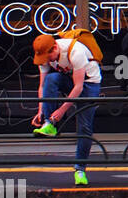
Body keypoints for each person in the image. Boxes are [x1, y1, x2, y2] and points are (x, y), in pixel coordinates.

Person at [31, 33, 102, 186]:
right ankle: (50, 124)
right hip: (70, 80)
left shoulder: (75, 51)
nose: (48, 62)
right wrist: (41, 111)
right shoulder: (45, 56)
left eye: (50, 57)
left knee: (84, 127)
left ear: (55, 48)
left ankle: (80, 170)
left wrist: (62, 110)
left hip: (89, 83)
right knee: (51, 78)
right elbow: (43, 86)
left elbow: (79, 87)